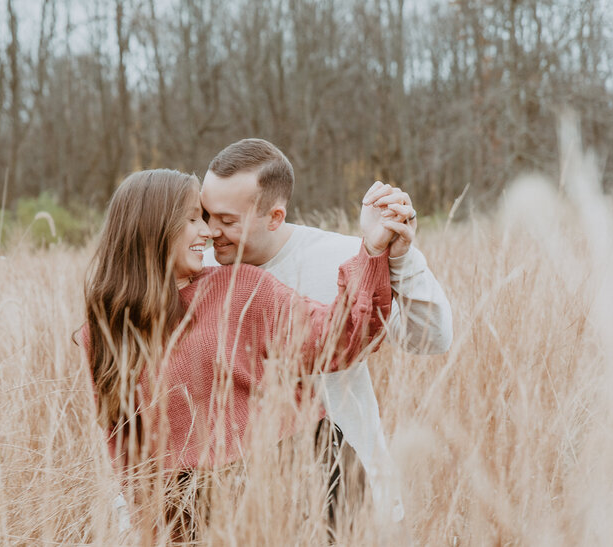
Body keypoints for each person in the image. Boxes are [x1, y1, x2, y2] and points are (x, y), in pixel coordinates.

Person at [79, 169, 405, 541]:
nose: (207, 231)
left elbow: (339, 337)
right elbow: (124, 451)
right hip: (193, 505)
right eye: (191, 219)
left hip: (304, 472)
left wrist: (374, 250)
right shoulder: (104, 334)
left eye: (204, 218)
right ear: (151, 228)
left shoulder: (239, 287)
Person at [201, 138, 453, 526]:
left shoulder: (345, 258)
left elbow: (431, 339)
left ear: (274, 216)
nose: (211, 231)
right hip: (247, 513)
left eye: (228, 221)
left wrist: (399, 257)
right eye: (205, 215)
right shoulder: (193, 268)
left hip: (351, 499)